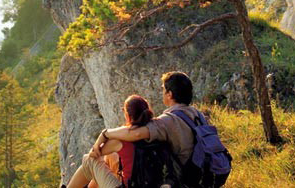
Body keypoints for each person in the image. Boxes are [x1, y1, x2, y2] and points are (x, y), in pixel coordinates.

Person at [90, 71, 229, 187]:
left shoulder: (168, 120)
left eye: (163, 89)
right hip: (205, 174)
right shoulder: (197, 114)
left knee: (91, 162)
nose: (162, 92)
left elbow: (136, 133)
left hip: (185, 180)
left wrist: (105, 133)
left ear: (170, 94)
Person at [65, 95, 154, 188]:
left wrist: (104, 137)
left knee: (89, 160)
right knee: (110, 159)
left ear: (128, 116)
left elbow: (95, 154)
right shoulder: (158, 133)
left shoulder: (122, 140)